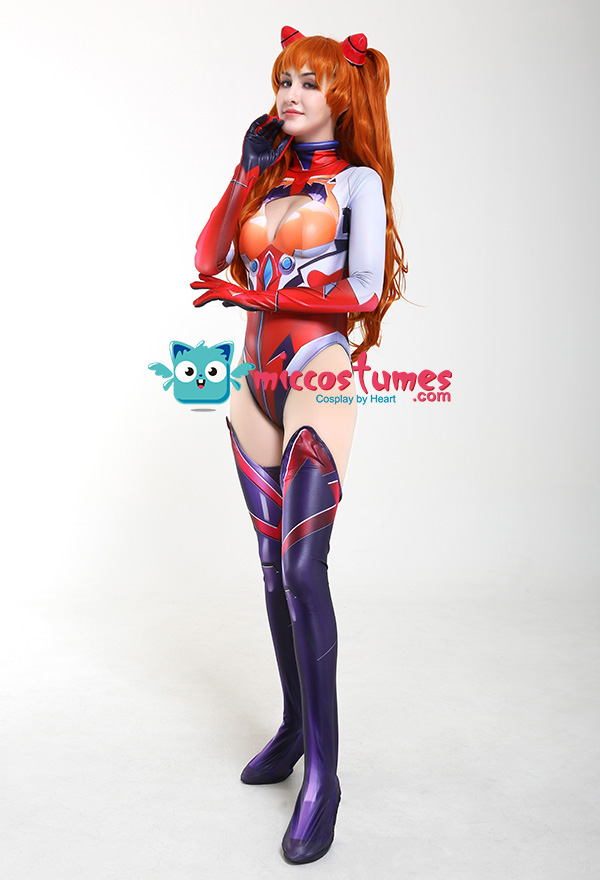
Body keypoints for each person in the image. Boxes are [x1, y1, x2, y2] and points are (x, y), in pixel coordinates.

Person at [191, 26, 407, 864]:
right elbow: (207, 256)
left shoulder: (357, 182)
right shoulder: (269, 177)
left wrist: (263, 294)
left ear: (340, 96)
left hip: (318, 370)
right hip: (255, 380)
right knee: (268, 566)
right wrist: (243, 169)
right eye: (285, 80)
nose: (290, 94)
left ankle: (325, 774)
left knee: (302, 569)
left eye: (309, 83)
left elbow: (363, 290)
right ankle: (290, 729)